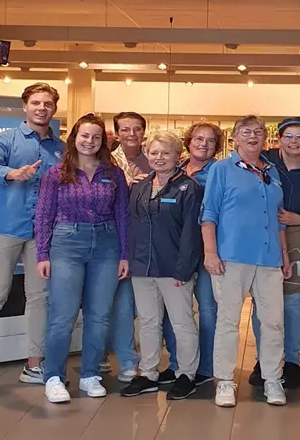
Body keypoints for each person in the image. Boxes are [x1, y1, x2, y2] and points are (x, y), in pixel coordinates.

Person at [0, 82, 64, 399]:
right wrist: (11, 173)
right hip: (3, 228)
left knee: (40, 298)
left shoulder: (60, 149)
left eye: (47, 103)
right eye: (36, 102)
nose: (41, 108)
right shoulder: (4, 140)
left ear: (54, 108)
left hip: (42, 234)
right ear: (25, 106)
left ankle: (34, 366)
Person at [35, 114, 128, 403]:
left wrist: (124, 253)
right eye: (84, 135)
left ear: (103, 141)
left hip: (107, 244)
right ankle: (53, 376)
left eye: (96, 137)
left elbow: (122, 215)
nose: (89, 141)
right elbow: (44, 214)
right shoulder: (56, 173)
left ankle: (90, 374)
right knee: (62, 316)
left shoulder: (113, 174)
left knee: (99, 315)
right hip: (66, 244)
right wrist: (42, 253)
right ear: (74, 137)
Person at [201, 115, 292, 408]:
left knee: (273, 323)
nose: (253, 136)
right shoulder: (222, 169)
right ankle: (225, 381)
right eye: (246, 132)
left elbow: (278, 220)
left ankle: (273, 379)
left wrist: (285, 256)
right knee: (228, 321)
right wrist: (210, 253)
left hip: (268, 259)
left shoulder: (272, 171)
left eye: (258, 132)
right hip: (232, 257)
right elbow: (209, 213)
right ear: (235, 138)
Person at [249, 117, 300, 390]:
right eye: (289, 136)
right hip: (265, 235)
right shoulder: (264, 163)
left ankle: (292, 361)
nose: (294, 142)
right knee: (263, 300)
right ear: (279, 139)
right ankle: (263, 359)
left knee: (294, 301)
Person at [121, 130, 203, 400]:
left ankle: (186, 374)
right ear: (147, 155)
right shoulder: (140, 187)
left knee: (182, 323)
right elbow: (132, 226)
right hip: (142, 267)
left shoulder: (189, 188)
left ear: (178, 156)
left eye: (165, 153)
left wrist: (184, 269)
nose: (159, 158)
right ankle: (148, 373)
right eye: (154, 153)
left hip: (173, 269)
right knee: (147, 322)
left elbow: (192, 233)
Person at [172, 122, 224, 386]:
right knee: (177, 310)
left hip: (206, 248)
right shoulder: (175, 168)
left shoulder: (220, 171)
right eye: (198, 139)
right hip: (177, 248)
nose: (203, 144)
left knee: (207, 308)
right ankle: (177, 364)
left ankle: (206, 368)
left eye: (211, 141)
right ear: (188, 141)